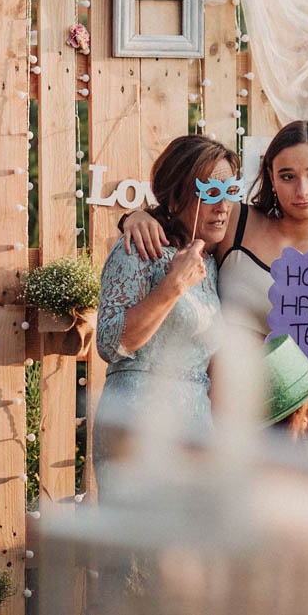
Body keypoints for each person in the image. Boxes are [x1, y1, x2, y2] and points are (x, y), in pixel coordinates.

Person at [120, 120, 308, 402]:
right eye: (287, 176)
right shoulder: (236, 223)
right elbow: (178, 222)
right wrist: (134, 217)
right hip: (212, 409)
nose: (302, 190)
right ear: (270, 176)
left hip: (287, 426)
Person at [92, 134, 234, 495]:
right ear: (174, 197)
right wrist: (173, 285)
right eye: (209, 192)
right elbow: (111, 343)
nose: (223, 206)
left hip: (195, 429)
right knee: (140, 549)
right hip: (138, 427)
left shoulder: (213, 263)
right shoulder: (138, 250)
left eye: (229, 191)